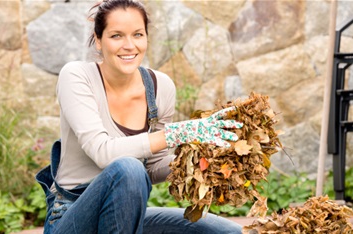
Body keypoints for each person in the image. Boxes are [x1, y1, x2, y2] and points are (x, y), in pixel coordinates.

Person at [36, 0, 244, 233]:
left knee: (225, 231)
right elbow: (103, 152)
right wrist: (179, 132)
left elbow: (153, 167)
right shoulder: (76, 76)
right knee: (128, 168)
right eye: (116, 36)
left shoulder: (160, 87)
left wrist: (201, 160)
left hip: (123, 215)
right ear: (98, 40)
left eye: (137, 34)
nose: (129, 45)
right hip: (71, 218)